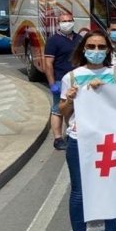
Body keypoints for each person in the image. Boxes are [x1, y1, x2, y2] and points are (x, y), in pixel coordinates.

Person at [59, 30, 116, 231]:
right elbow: (64, 111)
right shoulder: (72, 76)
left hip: (108, 140)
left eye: (101, 47)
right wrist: (71, 98)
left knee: (110, 187)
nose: (96, 51)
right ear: (83, 49)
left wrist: (107, 91)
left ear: (108, 50)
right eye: (92, 46)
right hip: (79, 139)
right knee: (79, 191)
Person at [44, 12, 82, 150]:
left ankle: (70, 134)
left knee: (72, 109)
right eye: (64, 21)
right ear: (59, 24)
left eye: (70, 20)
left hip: (77, 80)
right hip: (60, 80)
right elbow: (48, 64)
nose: (67, 23)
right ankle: (58, 138)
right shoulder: (53, 41)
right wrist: (52, 83)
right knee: (58, 110)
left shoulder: (79, 38)